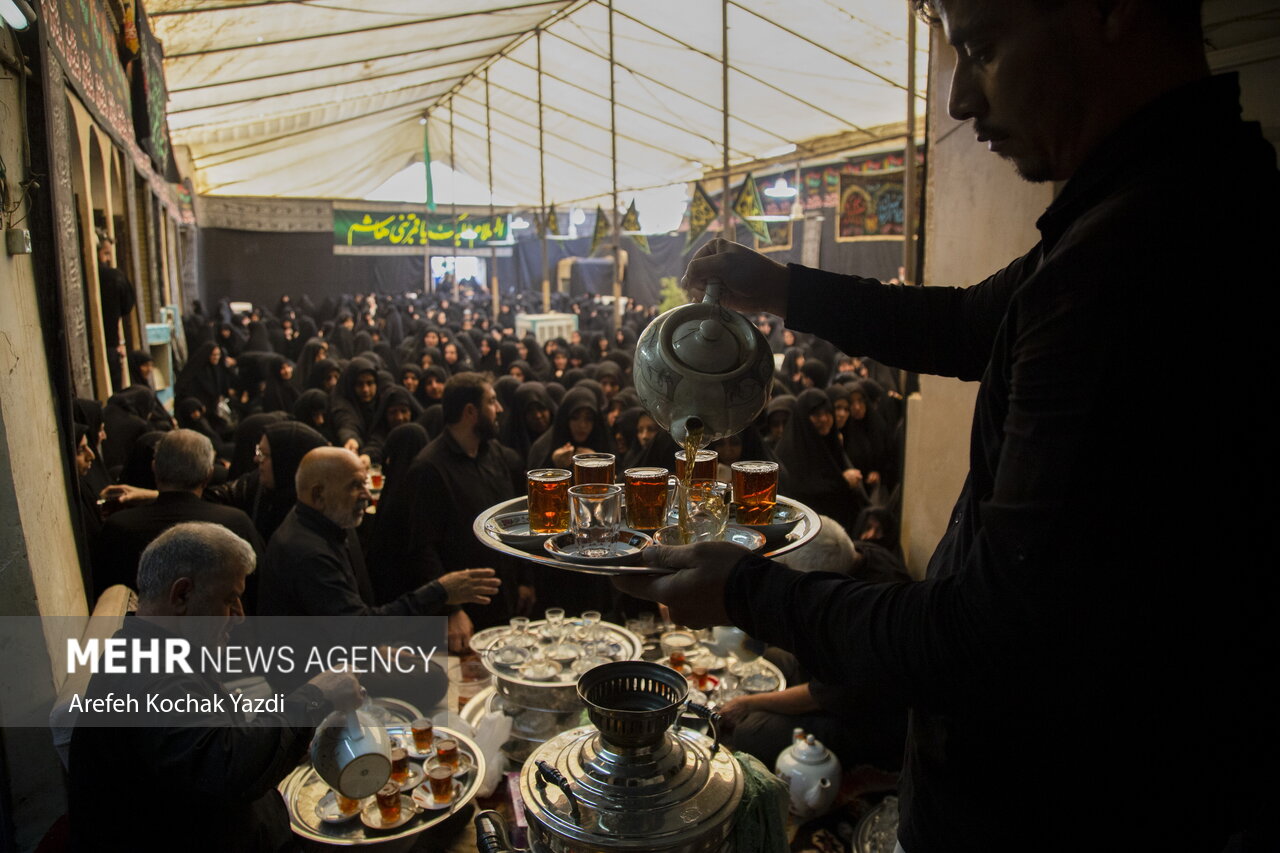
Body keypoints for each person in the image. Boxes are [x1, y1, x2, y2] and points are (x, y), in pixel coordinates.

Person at [616, 2, 1276, 850]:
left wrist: (749, 588)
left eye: (985, 48)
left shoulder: (1135, 262)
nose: (961, 99)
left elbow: (988, 635)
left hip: (1058, 812)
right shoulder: (1162, 199)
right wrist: (785, 291)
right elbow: (969, 325)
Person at [68, 522, 363, 852]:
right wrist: (315, 696)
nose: (238, 617)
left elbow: (219, 735)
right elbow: (227, 766)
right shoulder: (146, 673)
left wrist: (292, 739)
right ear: (182, 594)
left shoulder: (159, 652)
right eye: (230, 599)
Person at [257, 447, 498, 656]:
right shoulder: (307, 553)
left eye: (365, 482)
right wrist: (441, 591)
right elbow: (359, 628)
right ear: (318, 495)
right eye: (355, 486)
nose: (366, 495)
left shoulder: (323, 524)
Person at [381, 374, 536, 634]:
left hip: (505, 596)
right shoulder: (429, 468)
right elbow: (422, 549)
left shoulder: (494, 453)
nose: (499, 409)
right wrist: (451, 611)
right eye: (492, 401)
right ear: (471, 411)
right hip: (467, 610)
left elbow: (516, 520)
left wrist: (524, 579)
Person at [92, 430, 264, 600]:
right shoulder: (235, 524)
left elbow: (102, 593)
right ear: (209, 474)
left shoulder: (118, 527)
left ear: (154, 467)